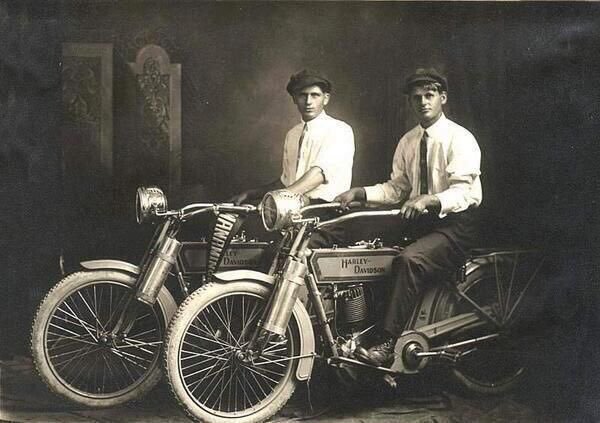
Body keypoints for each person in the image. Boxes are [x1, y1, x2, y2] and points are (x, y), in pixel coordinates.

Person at [335, 68, 482, 367]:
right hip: (421, 223)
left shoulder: (460, 139)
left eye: (429, 96)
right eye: (416, 98)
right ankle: (357, 332)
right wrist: (360, 193)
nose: (423, 102)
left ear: (443, 98)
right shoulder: (408, 141)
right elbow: (397, 188)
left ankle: (387, 344)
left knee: (409, 260)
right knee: (363, 241)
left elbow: (465, 192)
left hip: (457, 225)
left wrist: (430, 199)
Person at [231, 69, 355, 246]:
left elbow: (318, 175)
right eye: (303, 95)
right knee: (258, 250)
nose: (309, 101)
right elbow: (287, 182)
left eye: (315, 95)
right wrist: (250, 194)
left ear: (326, 98)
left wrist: (275, 199)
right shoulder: (292, 135)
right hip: (293, 217)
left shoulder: (339, 130)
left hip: (325, 219)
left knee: (283, 256)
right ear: (294, 99)